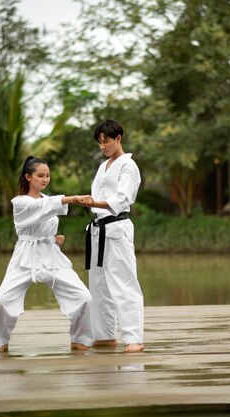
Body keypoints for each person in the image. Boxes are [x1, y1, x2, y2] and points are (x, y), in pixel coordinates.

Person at [0, 156, 93, 353]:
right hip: (25, 255)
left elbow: (46, 216)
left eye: (47, 175)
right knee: (1, 301)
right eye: (40, 175)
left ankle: (80, 339)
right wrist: (72, 198)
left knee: (84, 297)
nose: (45, 179)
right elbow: (38, 210)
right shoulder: (20, 202)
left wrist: (54, 237)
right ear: (28, 177)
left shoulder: (48, 200)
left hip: (50, 253)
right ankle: (0, 342)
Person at [82, 119, 145, 353]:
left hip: (117, 227)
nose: (103, 146)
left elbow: (122, 198)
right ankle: (105, 335)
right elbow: (98, 195)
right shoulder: (103, 166)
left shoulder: (128, 166)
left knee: (124, 283)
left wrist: (94, 202)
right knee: (99, 284)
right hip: (98, 229)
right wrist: (88, 201)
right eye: (99, 143)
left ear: (118, 137)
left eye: (106, 141)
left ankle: (134, 337)